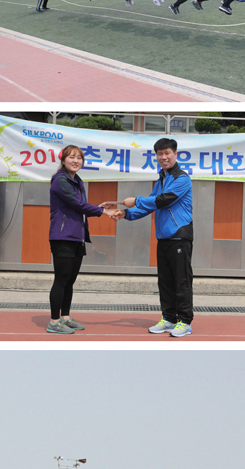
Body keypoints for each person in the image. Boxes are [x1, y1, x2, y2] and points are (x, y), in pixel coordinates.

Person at [105, 137, 194, 337]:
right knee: (165, 282)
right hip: (163, 238)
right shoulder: (161, 180)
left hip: (180, 237)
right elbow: (150, 205)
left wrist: (136, 200)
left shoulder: (182, 179)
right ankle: (169, 319)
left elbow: (163, 200)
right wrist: (125, 213)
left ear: (175, 154)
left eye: (167, 153)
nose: (163, 157)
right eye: (160, 154)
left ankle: (185, 322)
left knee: (181, 281)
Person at [46, 145, 107, 335]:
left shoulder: (77, 180)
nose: (76, 161)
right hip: (62, 236)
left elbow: (79, 206)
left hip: (77, 237)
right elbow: (77, 204)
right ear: (63, 160)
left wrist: (97, 207)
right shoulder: (60, 180)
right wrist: (102, 211)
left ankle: (65, 317)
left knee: (70, 280)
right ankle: (54, 321)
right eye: (71, 157)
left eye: (79, 158)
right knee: (61, 279)